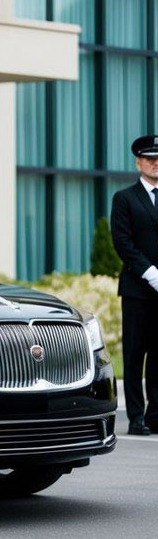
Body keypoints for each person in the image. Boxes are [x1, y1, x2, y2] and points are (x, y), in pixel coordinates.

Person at [111, 134, 158, 435]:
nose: (156, 164)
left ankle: (156, 415)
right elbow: (122, 242)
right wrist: (150, 272)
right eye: (150, 159)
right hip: (138, 289)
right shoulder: (125, 198)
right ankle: (136, 417)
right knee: (134, 354)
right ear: (138, 162)